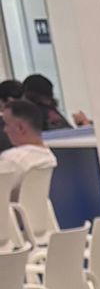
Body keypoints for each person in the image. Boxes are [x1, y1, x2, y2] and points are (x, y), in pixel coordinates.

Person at [0, 95, 56, 235]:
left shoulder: (13, 159)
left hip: (9, 230)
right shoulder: (48, 157)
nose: (5, 130)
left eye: (6, 124)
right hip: (33, 228)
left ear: (20, 128)